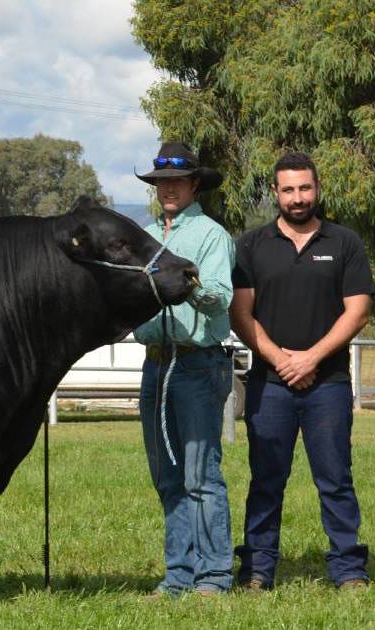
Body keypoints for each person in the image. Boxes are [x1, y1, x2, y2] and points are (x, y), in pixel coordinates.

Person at [228, 152, 374, 591]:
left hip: (327, 384)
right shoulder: (251, 245)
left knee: (335, 480)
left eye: (305, 188)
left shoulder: (344, 243)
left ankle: (348, 569)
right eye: (288, 189)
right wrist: (281, 359)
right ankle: (257, 569)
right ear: (275, 192)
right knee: (267, 480)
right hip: (269, 384)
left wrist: (310, 358)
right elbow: (240, 313)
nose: (297, 197)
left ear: (318, 188)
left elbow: (359, 311)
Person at [133, 141, 236, 597]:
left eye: (176, 181)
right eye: (160, 183)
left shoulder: (212, 236)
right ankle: (178, 573)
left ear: (195, 184)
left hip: (197, 364)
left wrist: (185, 281)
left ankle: (213, 574)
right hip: (155, 365)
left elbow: (219, 297)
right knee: (166, 475)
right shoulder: (143, 236)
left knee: (200, 474)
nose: (168, 189)